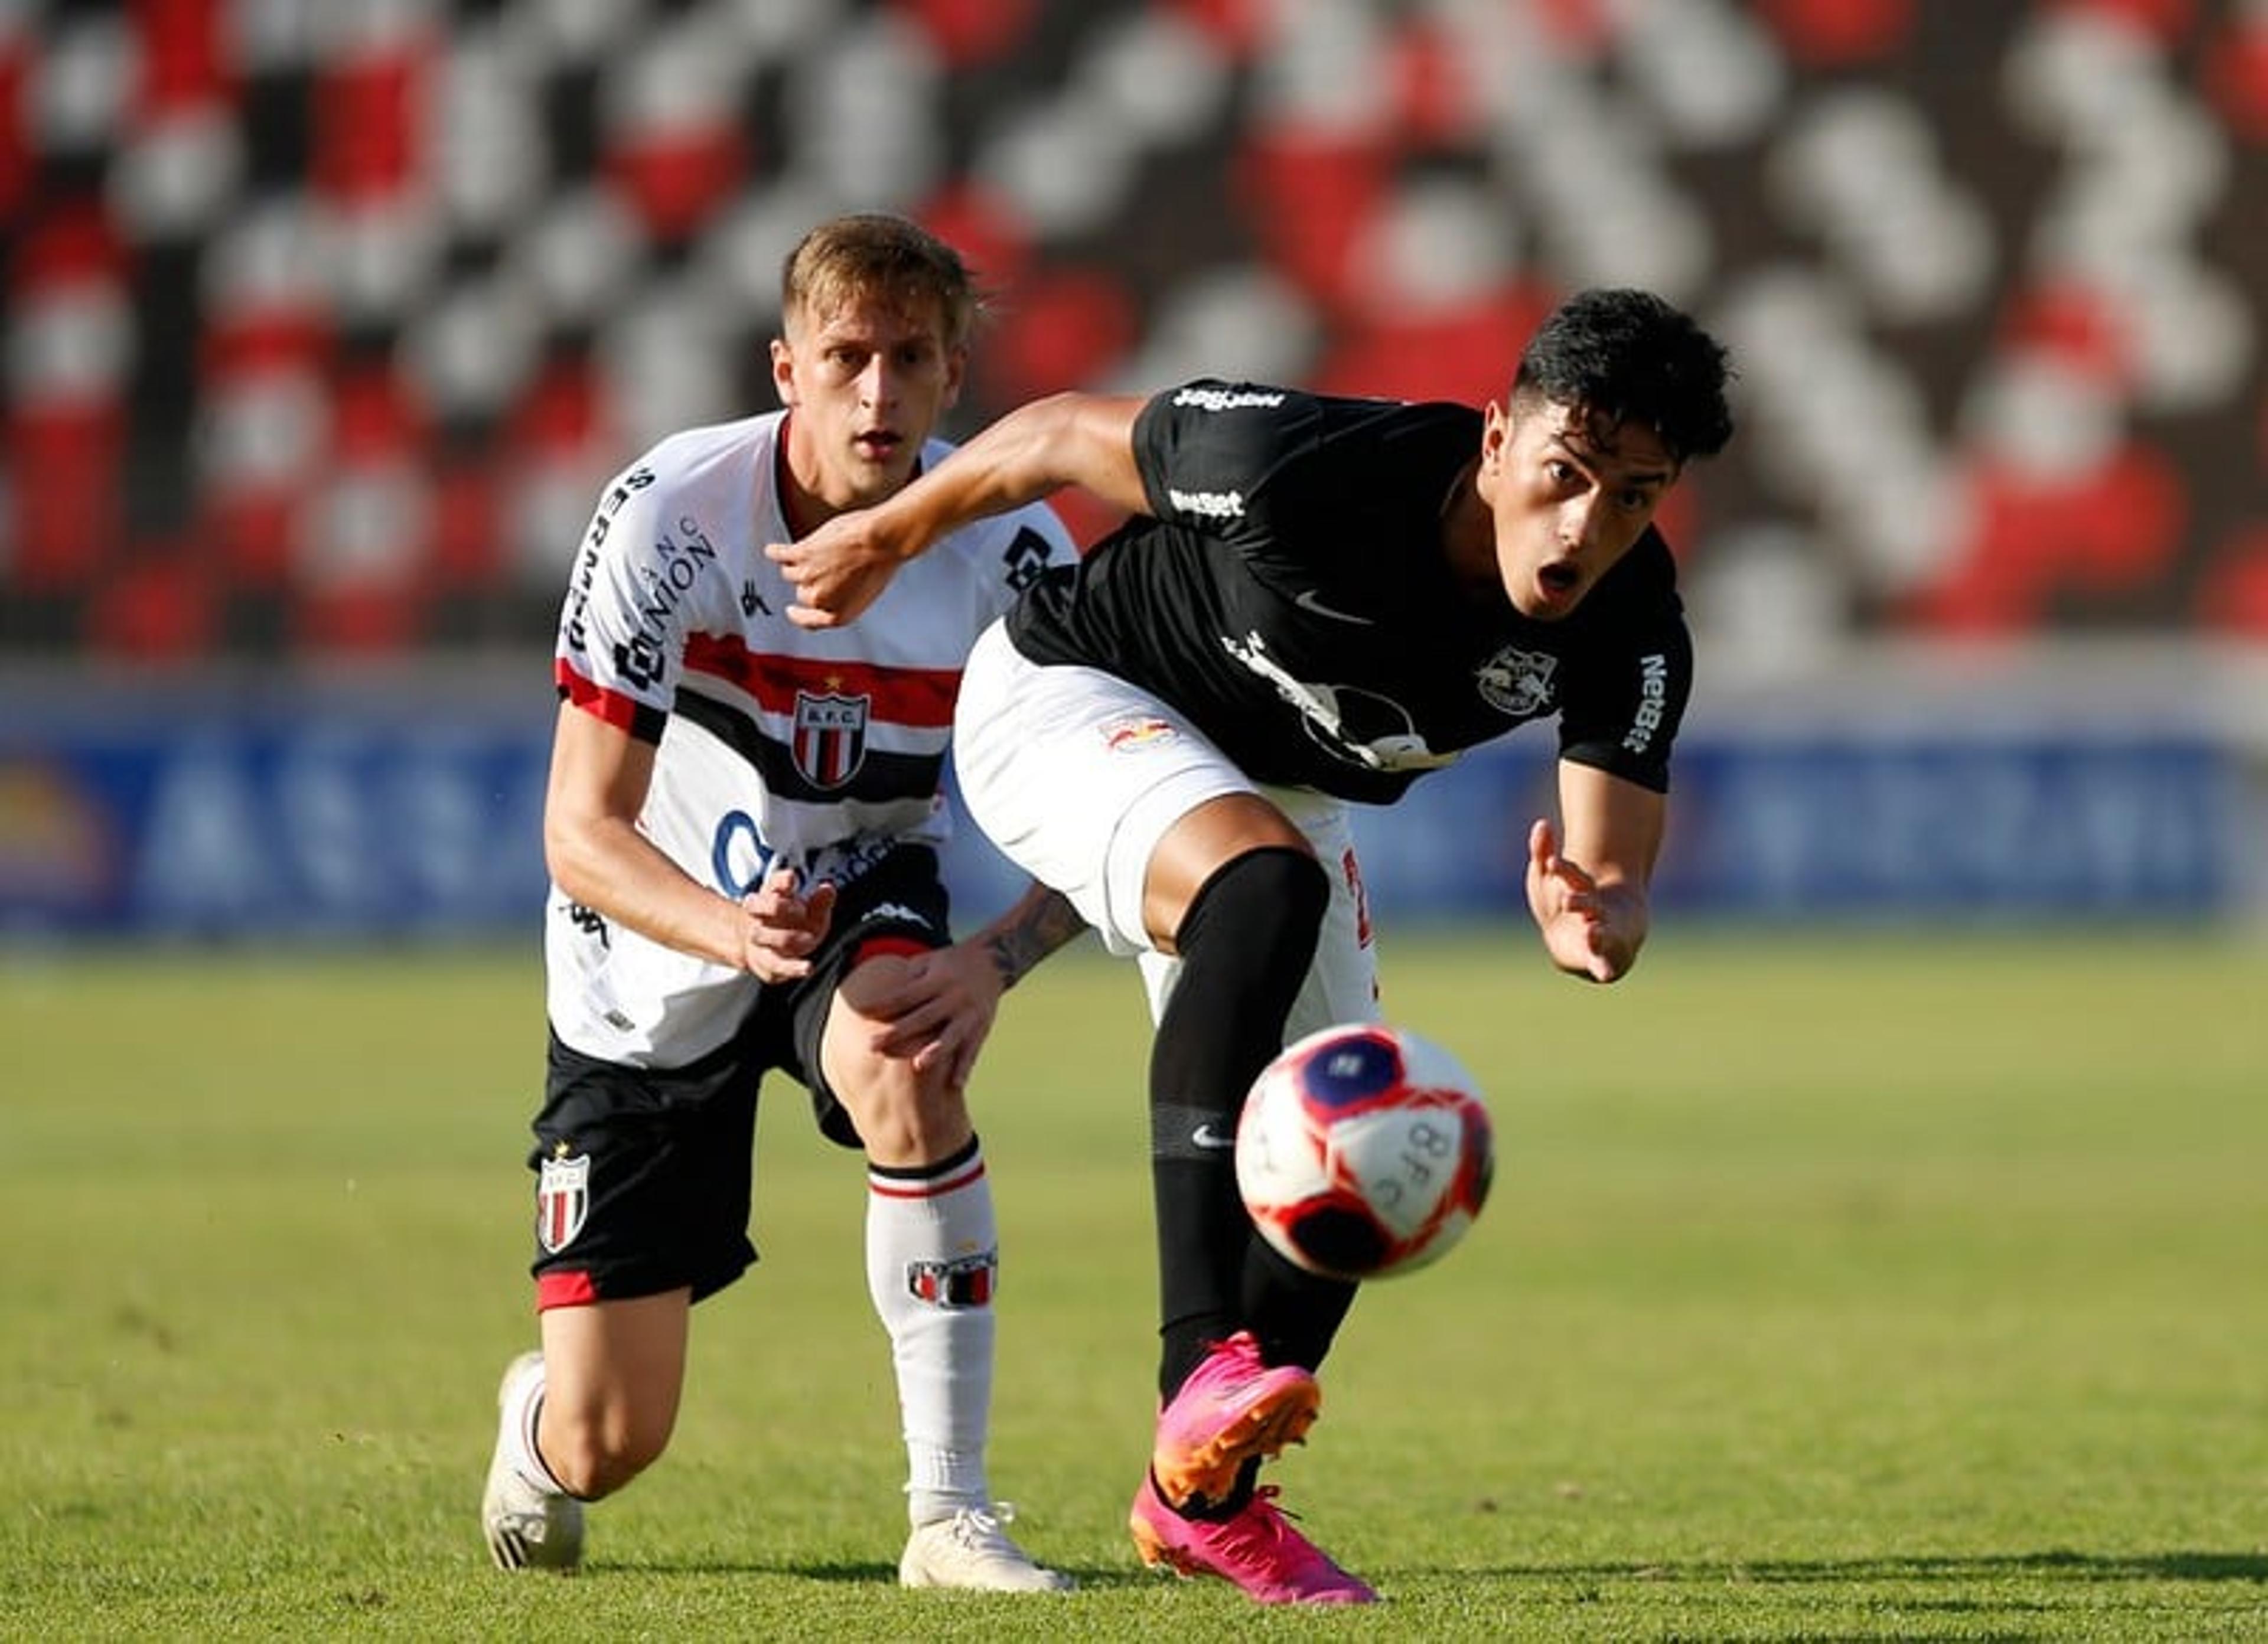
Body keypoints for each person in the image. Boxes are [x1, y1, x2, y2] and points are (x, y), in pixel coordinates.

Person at [766, 286, 1736, 1604]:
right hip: (1070, 695)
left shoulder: (1631, 623)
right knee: (1265, 890)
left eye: (1634, 495)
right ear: (1499, 438)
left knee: (1384, 1150)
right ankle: (1198, 1368)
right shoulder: (1299, 466)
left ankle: (1198, 1498)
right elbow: (1053, 432)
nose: (1586, 526)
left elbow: (1610, 866)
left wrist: (1601, 915)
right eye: (1566, 474)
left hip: (1268, 793)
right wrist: (886, 534)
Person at [480, 213, 1090, 1591]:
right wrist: (722, 928)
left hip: (861, 883)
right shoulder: (666, 520)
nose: (877, 393)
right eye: (847, 356)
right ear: (785, 368)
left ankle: (950, 1518)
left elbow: (1125, 797)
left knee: (907, 1061)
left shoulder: (1015, 551)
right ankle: (538, 1419)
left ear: (952, 380)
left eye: (911, 360)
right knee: (610, 1439)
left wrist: (998, 958)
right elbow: (580, 831)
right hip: (646, 956)